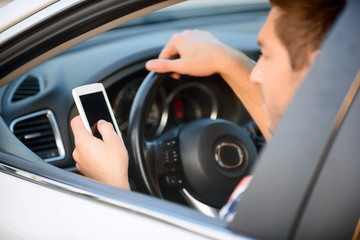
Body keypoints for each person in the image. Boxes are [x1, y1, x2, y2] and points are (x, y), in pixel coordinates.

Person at [71, 0, 345, 220]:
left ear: (316, 73)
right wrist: (227, 61)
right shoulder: (341, 165)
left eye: (266, 56)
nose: (255, 74)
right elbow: (306, 151)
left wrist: (112, 184)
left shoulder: (270, 202)